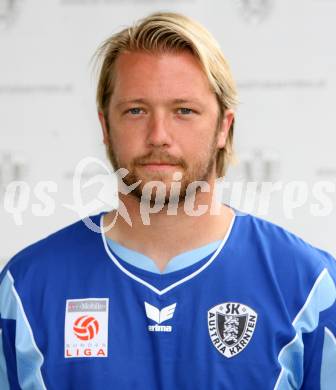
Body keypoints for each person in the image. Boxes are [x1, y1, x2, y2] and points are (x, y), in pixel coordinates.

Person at [0, 11, 335, 390]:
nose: (158, 135)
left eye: (184, 111)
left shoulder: (309, 285)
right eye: (136, 110)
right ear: (105, 127)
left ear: (224, 127)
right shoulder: (26, 288)